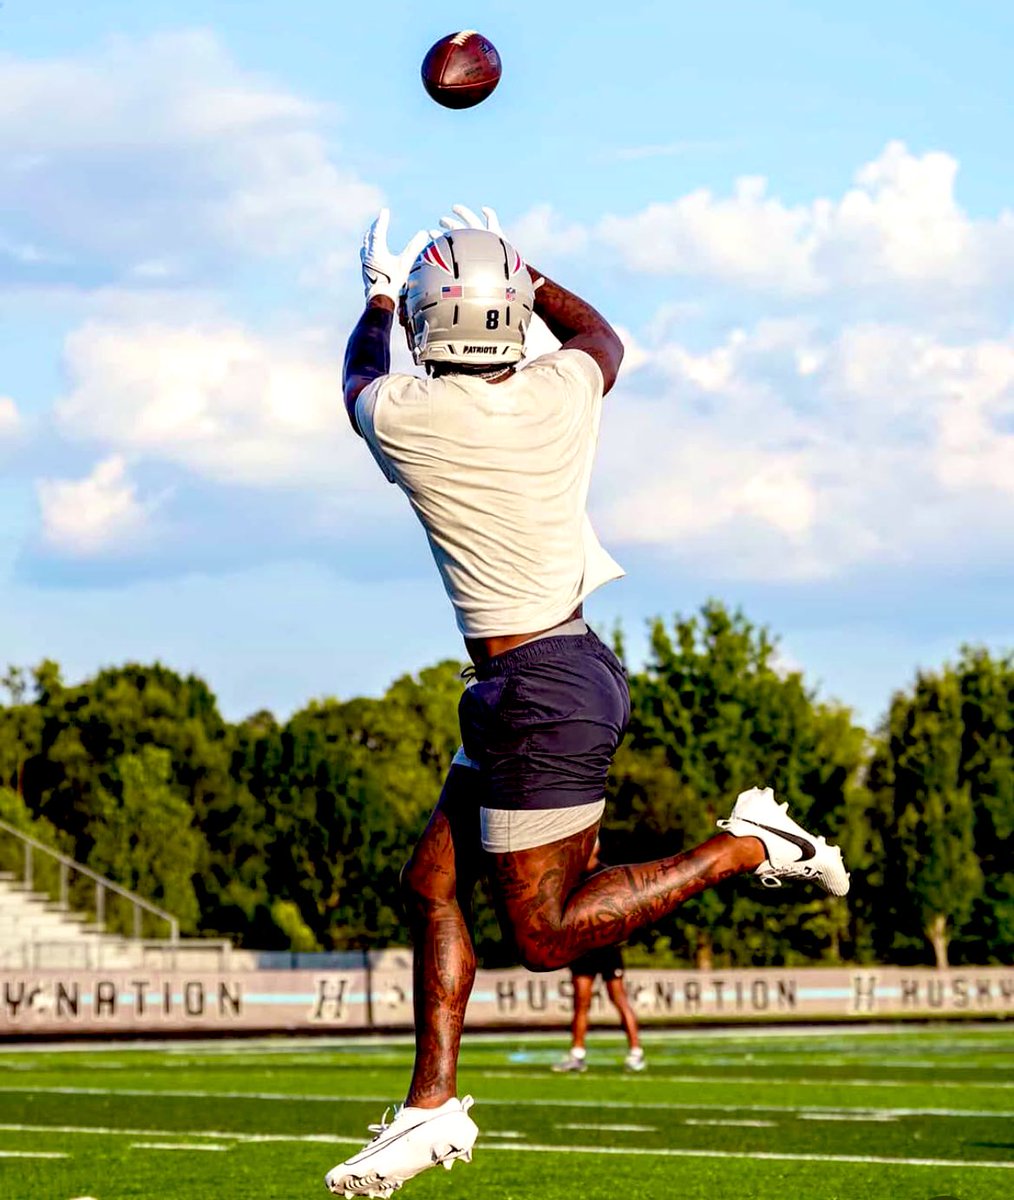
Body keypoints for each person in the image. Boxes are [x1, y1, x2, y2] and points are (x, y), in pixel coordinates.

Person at [325, 205, 849, 1198]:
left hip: (539, 693)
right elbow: (602, 337)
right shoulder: (563, 390)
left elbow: (356, 371)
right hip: (543, 676)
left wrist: (381, 293)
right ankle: (430, 1107)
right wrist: (530, 270)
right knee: (430, 884)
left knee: (545, 935)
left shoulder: (407, 414)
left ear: (431, 329)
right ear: (515, 314)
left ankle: (747, 843)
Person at [552, 839, 645, 1074]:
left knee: (619, 998)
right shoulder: (570, 877)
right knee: (581, 1001)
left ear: (596, 849)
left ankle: (636, 1052)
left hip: (607, 947)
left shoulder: (606, 875)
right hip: (583, 949)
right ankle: (577, 1053)